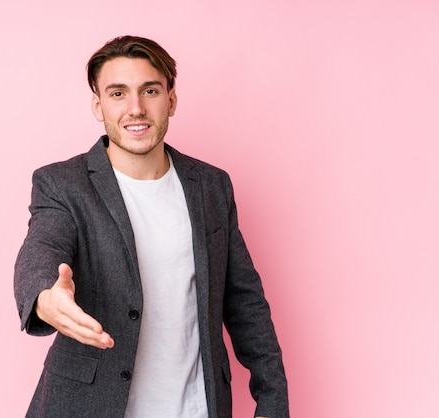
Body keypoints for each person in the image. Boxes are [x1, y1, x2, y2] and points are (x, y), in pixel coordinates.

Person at [14, 35, 289, 418]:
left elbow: (245, 303)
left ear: (171, 99)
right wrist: (45, 296)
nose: (136, 109)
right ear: (98, 105)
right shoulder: (62, 184)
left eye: (150, 90)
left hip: (195, 407)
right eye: (117, 94)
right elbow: (42, 249)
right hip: (90, 406)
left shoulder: (211, 186)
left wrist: (273, 402)